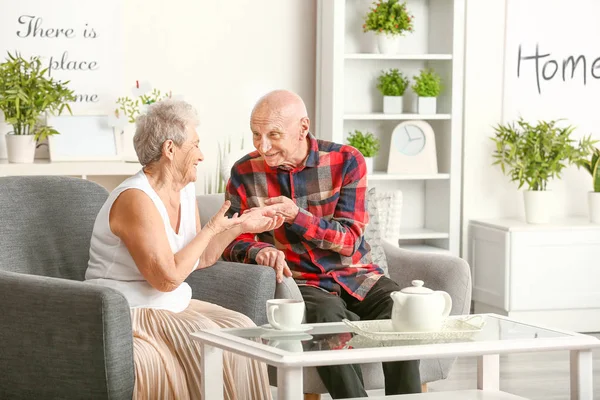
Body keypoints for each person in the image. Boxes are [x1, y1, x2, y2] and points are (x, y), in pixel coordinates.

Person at [222, 90, 421, 398]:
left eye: (274, 135)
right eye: (256, 135)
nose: (263, 146)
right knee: (327, 318)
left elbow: (349, 240)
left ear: (303, 128)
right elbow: (231, 239)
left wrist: (295, 216)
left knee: (402, 308)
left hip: (356, 273)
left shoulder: (346, 161)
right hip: (303, 282)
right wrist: (261, 250)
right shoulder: (244, 172)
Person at [85, 99, 281, 400]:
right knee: (202, 343)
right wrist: (213, 228)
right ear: (170, 149)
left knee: (242, 329)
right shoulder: (135, 199)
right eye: (196, 144)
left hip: (170, 304)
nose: (202, 155)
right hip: (128, 310)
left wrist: (241, 226)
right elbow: (166, 278)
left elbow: (199, 256)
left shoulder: (184, 190)